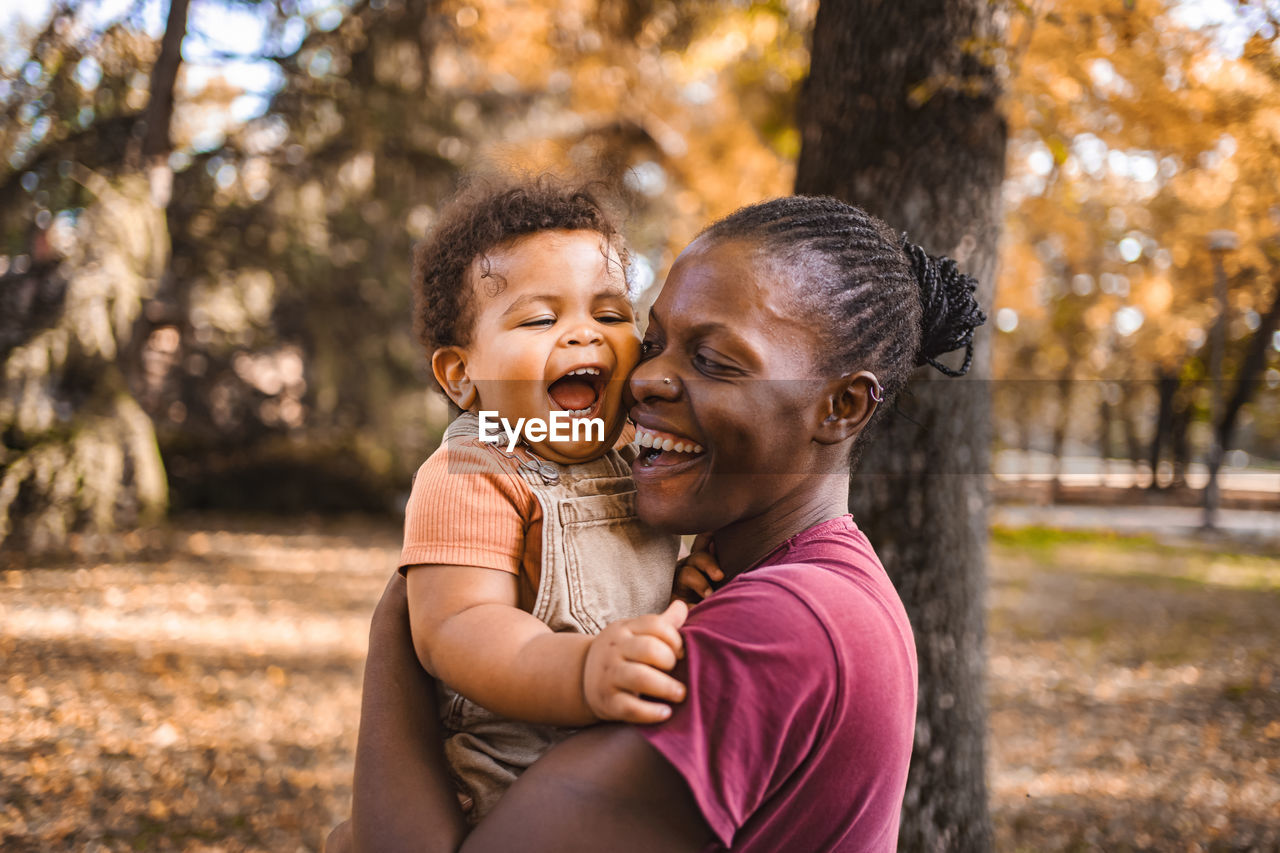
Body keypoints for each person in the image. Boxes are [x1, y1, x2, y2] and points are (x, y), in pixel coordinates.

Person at [330, 195, 985, 852]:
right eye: (654, 342)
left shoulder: (782, 627)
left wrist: (400, 621)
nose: (644, 378)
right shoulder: (767, 579)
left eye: (712, 360)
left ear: (841, 406)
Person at [399, 177, 705, 822]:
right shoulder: (475, 469)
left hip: (619, 763)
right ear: (462, 375)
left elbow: (612, 580)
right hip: (508, 782)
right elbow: (456, 629)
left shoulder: (634, 454)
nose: (583, 335)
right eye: (541, 319)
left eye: (612, 314)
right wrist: (582, 670)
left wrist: (675, 585)